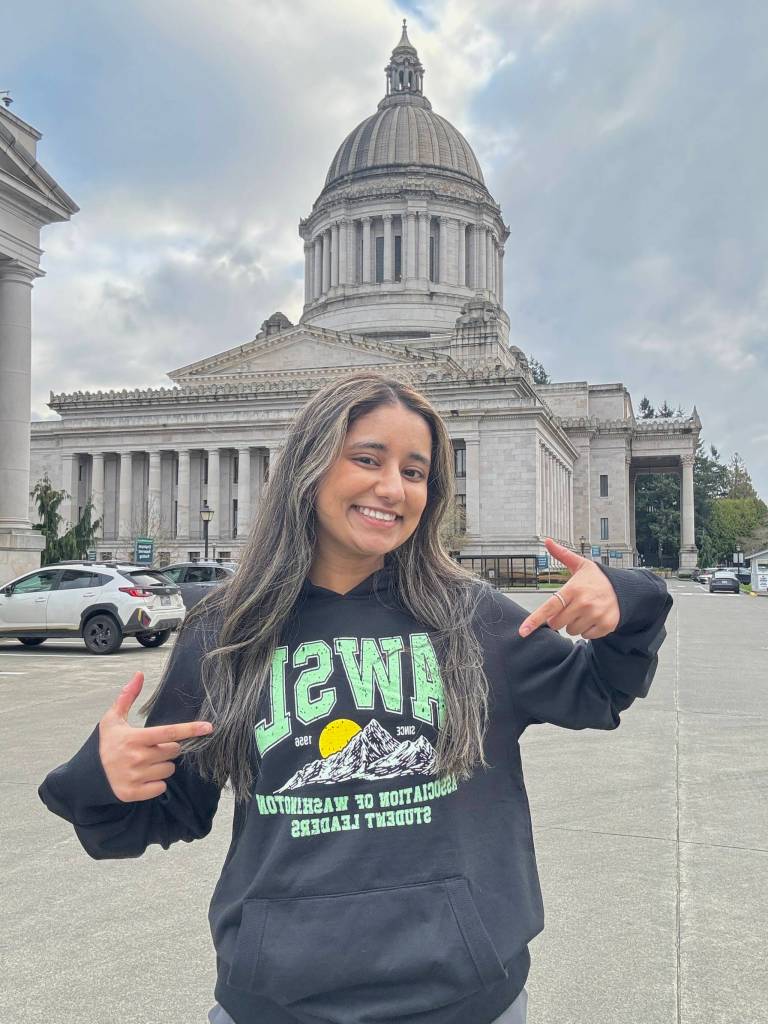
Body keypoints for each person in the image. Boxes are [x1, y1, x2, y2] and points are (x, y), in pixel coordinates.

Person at [38, 371, 673, 1024]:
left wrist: (628, 600)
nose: (392, 488)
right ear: (309, 468)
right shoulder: (230, 632)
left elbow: (599, 693)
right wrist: (103, 778)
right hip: (278, 1003)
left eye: (416, 471)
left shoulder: (471, 619)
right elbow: (171, 811)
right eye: (367, 459)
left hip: (466, 1001)